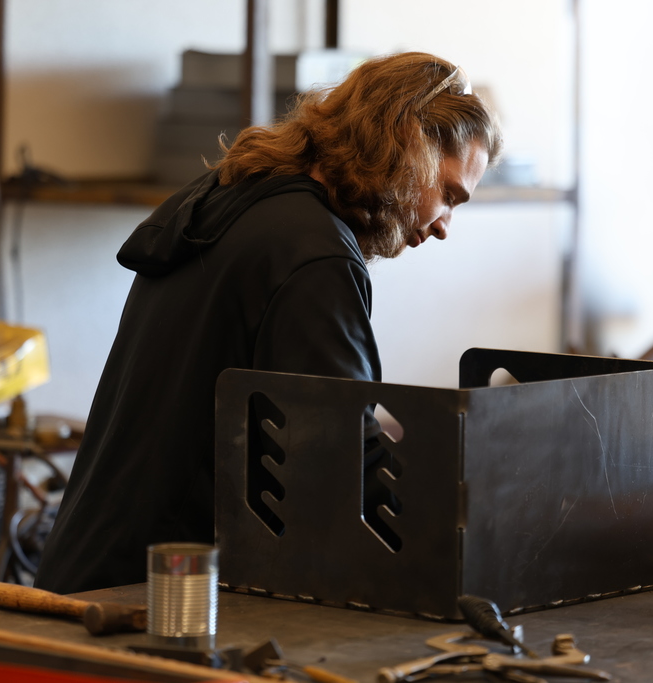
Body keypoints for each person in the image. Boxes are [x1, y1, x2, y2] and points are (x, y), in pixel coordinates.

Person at [33, 52, 502, 594]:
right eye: (448, 194)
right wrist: (460, 550)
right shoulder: (314, 255)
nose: (445, 225)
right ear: (408, 146)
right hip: (156, 598)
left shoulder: (234, 194)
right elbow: (342, 460)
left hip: (93, 567)